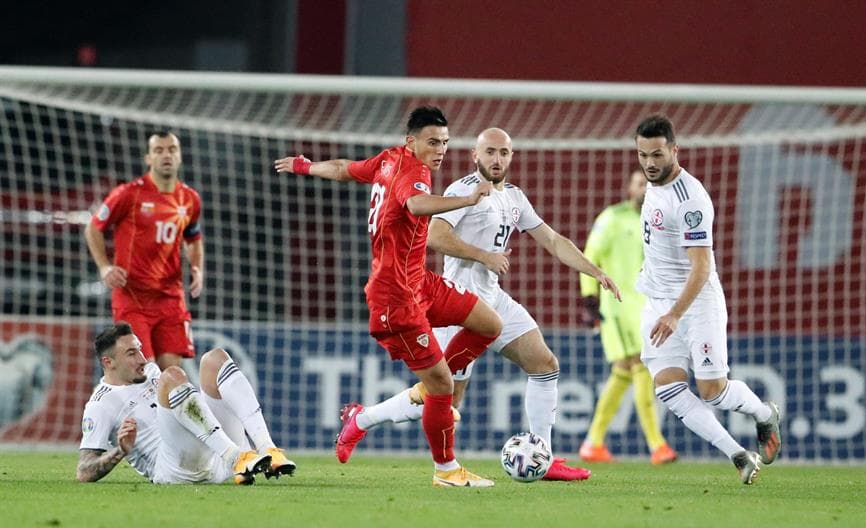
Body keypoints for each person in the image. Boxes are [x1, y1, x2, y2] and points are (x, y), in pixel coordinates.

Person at [328, 128, 622, 481]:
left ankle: (543, 457)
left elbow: (553, 240)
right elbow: (436, 236)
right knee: (445, 401)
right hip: (458, 303)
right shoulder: (462, 191)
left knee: (545, 365)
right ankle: (362, 419)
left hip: (493, 299)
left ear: (512, 156)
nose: (497, 160)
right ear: (475, 155)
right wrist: (483, 256)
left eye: (504, 153)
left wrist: (595, 271)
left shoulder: (514, 196)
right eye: (490, 152)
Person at [274, 107, 503, 487]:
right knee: (444, 387)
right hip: (395, 298)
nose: (441, 149)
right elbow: (415, 204)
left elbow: (346, 168)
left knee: (488, 324)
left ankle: (386, 407)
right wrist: (467, 200)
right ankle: (446, 471)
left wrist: (306, 167)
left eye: (445, 142)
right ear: (411, 141)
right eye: (433, 142)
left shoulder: (389, 158)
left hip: (420, 283)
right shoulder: (413, 172)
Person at [633, 114, 782, 484]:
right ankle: (738, 454)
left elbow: (701, 269)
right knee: (668, 388)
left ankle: (764, 414)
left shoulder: (691, 201)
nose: (649, 163)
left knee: (712, 392)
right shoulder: (652, 187)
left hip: (695, 304)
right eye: (642, 155)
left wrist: (674, 315)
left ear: (674, 150)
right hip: (657, 301)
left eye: (656, 155)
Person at [77, 323, 296, 485]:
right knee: (172, 375)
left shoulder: (151, 371)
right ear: (109, 362)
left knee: (214, 359)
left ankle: (267, 449)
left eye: (140, 349)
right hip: (175, 469)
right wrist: (120, 450)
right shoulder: (100, 404)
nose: (142, 359)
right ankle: (236, 458)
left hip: (213, 457)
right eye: (131, 353)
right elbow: (84, 472)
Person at [578, 170, 678, 465]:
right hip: (618, 306)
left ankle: (593, 443)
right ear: (628, 188)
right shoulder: (611, 218)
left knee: (624, 372)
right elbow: (589, 255)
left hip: (647, 307)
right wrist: (589, 298)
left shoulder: (658, 221)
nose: (645, 189)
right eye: (639, 184)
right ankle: (657, 445)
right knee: (643, 365)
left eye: (650, 185)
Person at [84, 131, 204, 372]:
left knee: (173, 375)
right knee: (145, 373)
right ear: (148, 159)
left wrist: (197, 267)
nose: (166, 155)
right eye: (159, 150)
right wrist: (105, 266)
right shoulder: (128, 194)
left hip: (171, 299)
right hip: (132, 297)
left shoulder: (190, 199)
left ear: (180, 156)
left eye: (171, 149)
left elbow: (193, 239)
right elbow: (93, 228)